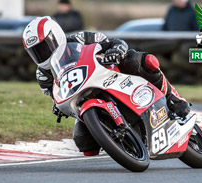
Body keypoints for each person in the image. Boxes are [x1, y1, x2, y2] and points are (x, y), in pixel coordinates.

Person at [22, 16, 190, 156]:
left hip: (111, 76)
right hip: (84, 100)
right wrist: (57, 107)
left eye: (44, 48)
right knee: (85, 145)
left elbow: (114, 42)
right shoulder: (42, 75)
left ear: (56, 35)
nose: (43, 55)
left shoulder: (80, 38)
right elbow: (55, 95)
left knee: (143, 61)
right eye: (36, 52)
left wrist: (115, 51)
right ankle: (119, 140)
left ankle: (173, 96)